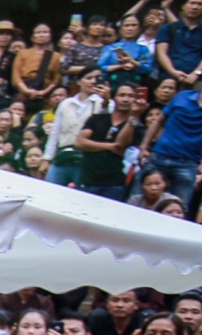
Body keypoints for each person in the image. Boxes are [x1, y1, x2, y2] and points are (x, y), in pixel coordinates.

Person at [74, 82, 145, 199]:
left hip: (115, 183)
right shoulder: (97, 118)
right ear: (114, 97)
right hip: (88, 179)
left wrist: (133, 118)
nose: (126, 99)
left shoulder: (137, 127)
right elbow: (79, 142)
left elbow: (120, 145)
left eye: (130, 96)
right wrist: (110, 146)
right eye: (122, 95)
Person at [142, 77, 202, 209]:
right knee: (140, 201)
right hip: (159, 155)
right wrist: (144, 146)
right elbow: (158, 121)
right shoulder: (183, 96)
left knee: (178, 208)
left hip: (188, 163)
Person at [156, 0, 202, 82]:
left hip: (198, 80)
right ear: (183, 6)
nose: (195, 7)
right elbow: (161, 54)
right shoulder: (168, 28)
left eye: (199, 4)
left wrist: (196, 73)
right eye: (192, 3)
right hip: (169, 79)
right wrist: (173, 72)